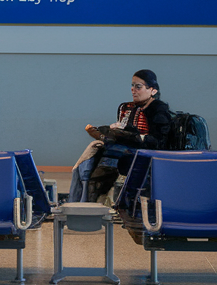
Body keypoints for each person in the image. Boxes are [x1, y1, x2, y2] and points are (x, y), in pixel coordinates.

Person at [70, 70, 173, 203]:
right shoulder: (127, 108)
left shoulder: (159, 110)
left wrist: (127, 134)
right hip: (121, 150)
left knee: (110, 158)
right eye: (132, 86)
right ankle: (91, 199)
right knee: (97, 154)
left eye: (138, 86)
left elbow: (157, 141)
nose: (133, 90)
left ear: (152, 90)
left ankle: (106, 200)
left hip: (144, 153)